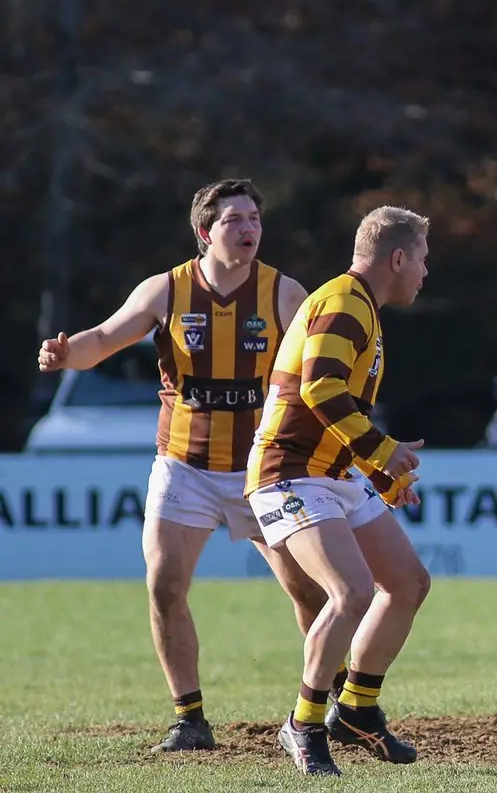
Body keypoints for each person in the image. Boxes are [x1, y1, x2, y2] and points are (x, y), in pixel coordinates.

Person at [36, 179, 328, 754]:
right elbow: (104, 338)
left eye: (254, 219)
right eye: (234, 220)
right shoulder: (165, 290)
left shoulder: (285, 293)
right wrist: (68, 354)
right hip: (184, 465)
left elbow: (323, 362)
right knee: (165, 586)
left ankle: (334, 702)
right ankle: (190, 721)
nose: (248, 229)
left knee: (309, 590)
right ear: (205, 232)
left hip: (261, 469)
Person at [245, 206, 432, 776]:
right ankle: (303, 724)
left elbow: (335, 405)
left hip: (331, 473)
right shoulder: (345, 303)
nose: (426, 271)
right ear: (397, 258)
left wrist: (380, 474)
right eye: (423, 258)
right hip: (289, 471)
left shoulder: (361, 306)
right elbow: (321, 389)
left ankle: (357, 710)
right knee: (350, 593)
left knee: (407, 583)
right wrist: (381, 451)